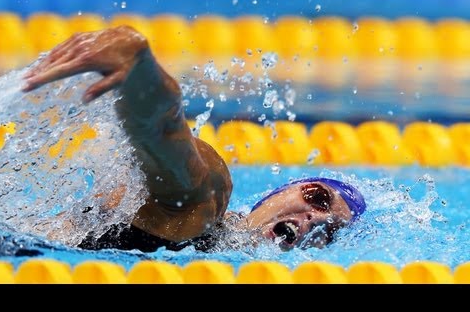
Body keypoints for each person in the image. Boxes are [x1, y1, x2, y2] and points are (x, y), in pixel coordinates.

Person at [22, 26, 366, 252]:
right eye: (318, 199)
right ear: (278, 193)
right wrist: (142, 72)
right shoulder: (210, 201)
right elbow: (168, 135)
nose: (316, 219)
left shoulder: (225, 252)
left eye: (330, 231)